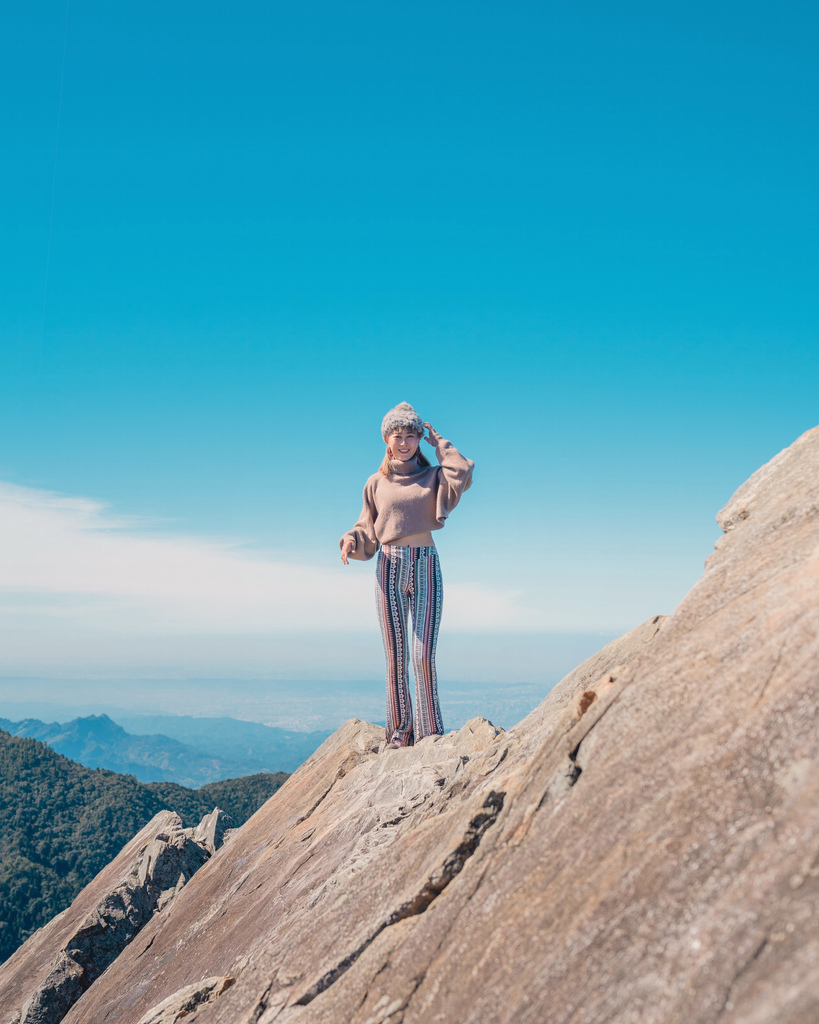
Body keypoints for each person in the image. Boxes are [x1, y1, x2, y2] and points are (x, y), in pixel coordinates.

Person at [340, 402, 474, 749]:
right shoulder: (376, 483)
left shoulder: (433, 477)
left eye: (410, 436)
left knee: (422, 654)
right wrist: (350, 540)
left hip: (426, 563)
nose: (404, 442)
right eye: (397, 435)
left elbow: (462, 470)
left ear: (418, 439)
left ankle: (430, 733)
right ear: (386, 439)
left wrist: (439, 442)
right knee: (395, 655)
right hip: (389, 566)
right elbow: (366, 526)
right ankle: (400, 733)